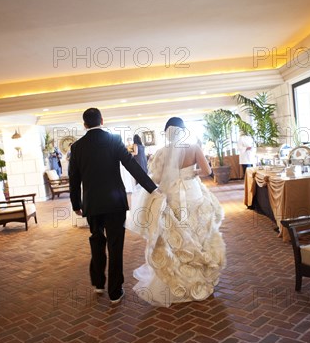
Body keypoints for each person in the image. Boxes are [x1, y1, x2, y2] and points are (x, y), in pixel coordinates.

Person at [127, 117, 226, 307]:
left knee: (174, 236)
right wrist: (191, 173)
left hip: (172, 195)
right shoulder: (194, 147)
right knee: (199, 233)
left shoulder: (162, 152)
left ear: (167, 133)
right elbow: (206, 171)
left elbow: (155, 178)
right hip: (193, 194)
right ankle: (200, 278)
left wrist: (171, 175)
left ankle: (178, 280)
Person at [69, 108, 158, 304]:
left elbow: (73, 180)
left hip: (92, 204)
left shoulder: (76, 148)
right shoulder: (113, 140)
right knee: (115, 246)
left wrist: (76, 203)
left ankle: (99, 283)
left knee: (96, 240)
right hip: (115, 202)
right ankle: (115, 292)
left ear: (84, 125)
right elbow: (132, 166)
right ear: (102, 120)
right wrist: (152, 188)